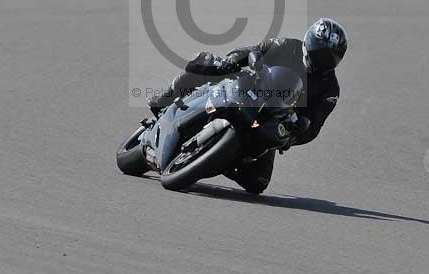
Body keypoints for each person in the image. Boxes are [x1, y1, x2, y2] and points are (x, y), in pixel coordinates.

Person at [147, 18, 348, 194]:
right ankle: (164, 99)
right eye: (318, 53)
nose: (321, 60)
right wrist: (233, 61)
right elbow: (252, 51)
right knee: (207, 64)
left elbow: (314, 125)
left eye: (328, 58)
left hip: (275, 119)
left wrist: (294, 134)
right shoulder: (286, 45)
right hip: (250, 91)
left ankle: (222, 160)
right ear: (309, 42)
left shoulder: (330, 90)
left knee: (258, 184)